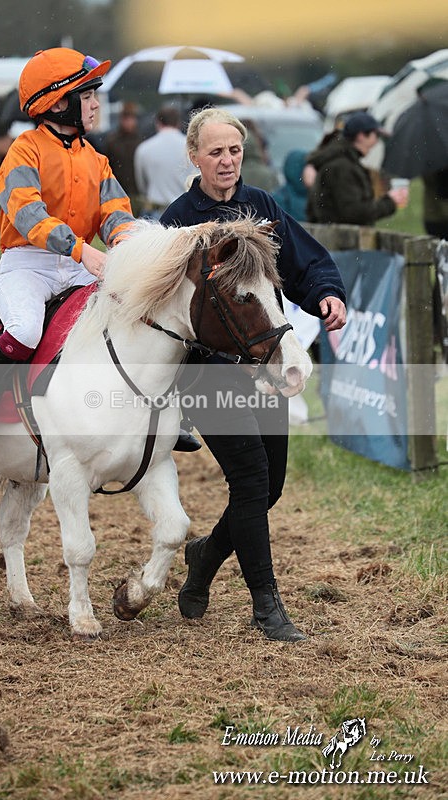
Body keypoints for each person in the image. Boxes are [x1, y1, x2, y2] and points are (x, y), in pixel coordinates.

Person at [160, 107, 347, 642]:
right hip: (205, 375)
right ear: (194, 156)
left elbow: (304, 262)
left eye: (234, 150)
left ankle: (205, 556)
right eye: (215, 151)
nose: (226, 160)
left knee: (271, 487)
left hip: (262, 369)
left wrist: (326, 293)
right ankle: (267, 607)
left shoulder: (261, 207)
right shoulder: (180, 224)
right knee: (250, 479)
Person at [0, 47, 135, 473]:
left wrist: (125, 245)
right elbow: (29, 215)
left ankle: (151, 418)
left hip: (77, 265)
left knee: (133, 317)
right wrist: (82, 250)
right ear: (59, 102)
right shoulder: (23, 151)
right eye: (89, 95)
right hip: (28, 264)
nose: (97, 103)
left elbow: (116, 211)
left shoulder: (95, 158)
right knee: (26, 329)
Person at [306, 112, 408, 225]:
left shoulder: (342, 161)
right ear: (361, 136)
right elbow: (353, 212)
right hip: (339, 239)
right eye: (376, 136)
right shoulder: (342, 167)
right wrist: (390, 202)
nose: (376, 142)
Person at [133, 106, 193, 219]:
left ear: (157, 122)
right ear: (178, 123)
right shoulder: (190, 147)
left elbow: (141, 185)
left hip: (155, 211)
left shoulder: (144, 148)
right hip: (185, 209)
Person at [95, 101, 144, 215]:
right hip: (117, 188)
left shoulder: (140, 141)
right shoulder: (112, 141)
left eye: (131, 118)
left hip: (136, 191)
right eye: (126, 118)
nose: (129, 122)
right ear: (121, 119)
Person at [273, 149, 309, 221]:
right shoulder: (280, 199)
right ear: (297, 169)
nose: (312, 172)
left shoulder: (316, 198)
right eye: (307, 167)